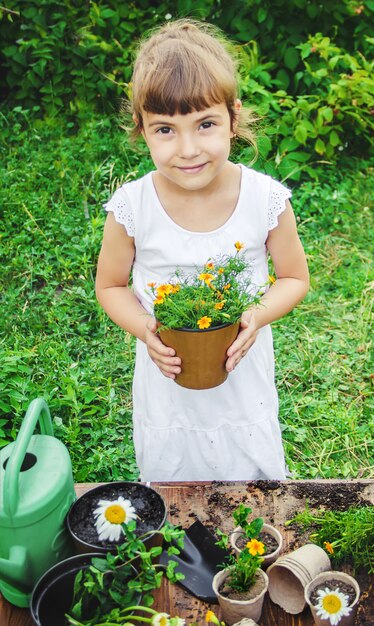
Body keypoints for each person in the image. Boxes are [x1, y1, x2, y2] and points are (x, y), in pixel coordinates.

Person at [95, 19, 309, 482]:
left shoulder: (264, 199)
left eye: (205, 124)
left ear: (233, 117)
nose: (188, 149)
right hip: (167, 376)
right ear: (142, 129)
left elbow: (294, 277)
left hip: (241, 370)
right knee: (174, 477)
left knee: (250, 477)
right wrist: (145, 329)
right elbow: (110, 286)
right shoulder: (132, 207)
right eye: (165, 130)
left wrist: (256, 314)